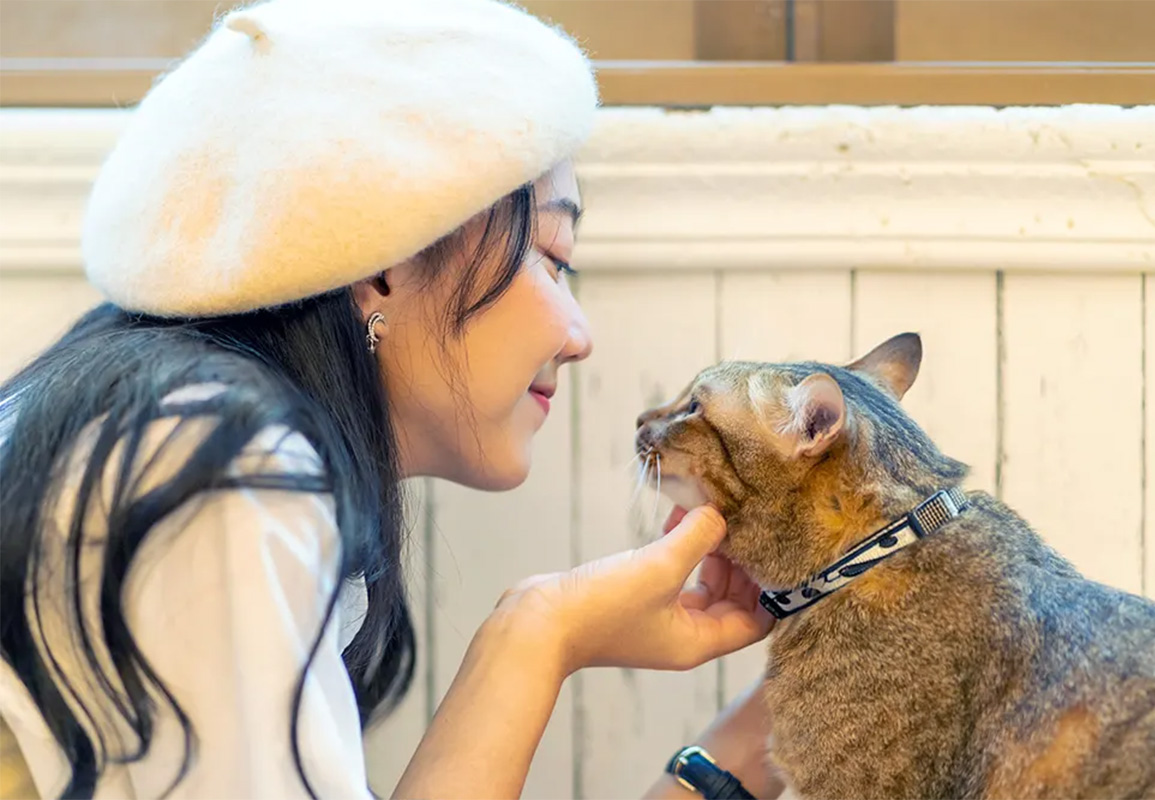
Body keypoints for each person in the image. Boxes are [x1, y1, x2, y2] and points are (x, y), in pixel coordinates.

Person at [0, 0, 784, 797]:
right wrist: (540, 634)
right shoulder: (218, 472)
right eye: (553, 258)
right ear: (385, 266)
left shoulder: (184, 434)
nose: (578, 336)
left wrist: (545, 629)